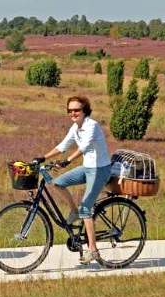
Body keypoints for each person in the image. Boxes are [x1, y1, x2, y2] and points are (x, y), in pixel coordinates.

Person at [35, 95, 112, 265]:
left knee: (86, 207)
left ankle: (93, 250)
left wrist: (68, 161)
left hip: (100, 169)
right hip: (87, 168)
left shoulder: (91, 125)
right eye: (70, 110)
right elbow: (62, 146)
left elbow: (83, 148)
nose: (73, 113)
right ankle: (74, 212)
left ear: (85, 110)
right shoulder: (75, 127)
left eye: (76, 110)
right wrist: (43, 157)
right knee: (58, 183)